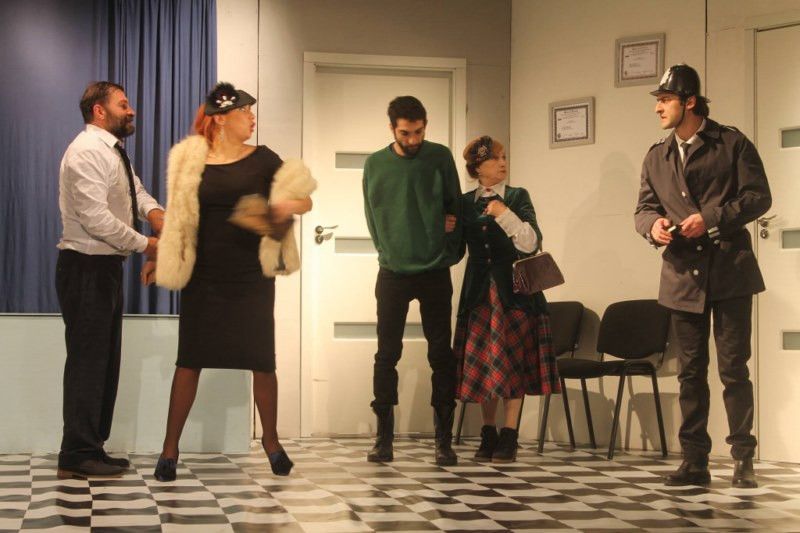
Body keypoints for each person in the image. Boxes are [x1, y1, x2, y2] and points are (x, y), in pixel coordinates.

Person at [149, 82, 313, 481]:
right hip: (204, 276)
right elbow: (179, 216)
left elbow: (305, 199)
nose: (251, 117)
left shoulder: (264, 158)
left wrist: (284, 206)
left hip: (250, 277)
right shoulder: (191, 159)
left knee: (262, 360)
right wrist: (159, 255)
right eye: (244, 111)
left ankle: (272, 443)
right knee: (190, 360)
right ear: (221, 118)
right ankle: (169, 449)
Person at [634, 64, 771, 488]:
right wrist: (653, 227)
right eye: (658, 101)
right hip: (681, 276)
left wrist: (710, 219)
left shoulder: (731, 143)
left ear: (689, 101)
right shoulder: (656, 155)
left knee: (734, 370)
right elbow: (643, 209)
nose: (658, 108)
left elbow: (759, 197)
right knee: (690, 373)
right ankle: (694, 461)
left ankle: (743, 459)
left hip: (730, 272)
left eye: (665, 100)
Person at [56, 81, 164, 479]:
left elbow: (135, 193)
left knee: (104, 361)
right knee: (88, 362)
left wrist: (155, 214)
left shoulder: (112, 151)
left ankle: (92, 446)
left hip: (103, 268)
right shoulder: (86, 151)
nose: (131, 110)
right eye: (123, 104)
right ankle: (77, 452)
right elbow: (95, 219)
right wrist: (147, 244)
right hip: (85, 267)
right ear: (99, 111)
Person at [362, 96, 462, 466]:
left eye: (419, 132)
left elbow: (455, 207)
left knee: (441, 354)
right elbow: (372, 215)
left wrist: (448, 250)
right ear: (392, 128)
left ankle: (444, 441)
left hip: (435, 269)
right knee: (386, 354)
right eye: (405, 133)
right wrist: (387, 251)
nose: (413, 139)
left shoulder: (440, 157)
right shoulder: (375, 164)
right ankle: (383, 439)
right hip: (393, 272)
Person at [454, 136, 560, 463]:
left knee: (512, 363)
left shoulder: (516, 196)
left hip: (514, 293)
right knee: (485, 364)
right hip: (478, 293)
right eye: (495, 158)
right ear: (477, 167)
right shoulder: (464, 203)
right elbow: (454, 249)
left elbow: (531, 243)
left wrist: (504, 213)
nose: (503, 163)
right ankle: (488, 432)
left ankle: (510, 434)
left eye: (504, 157)